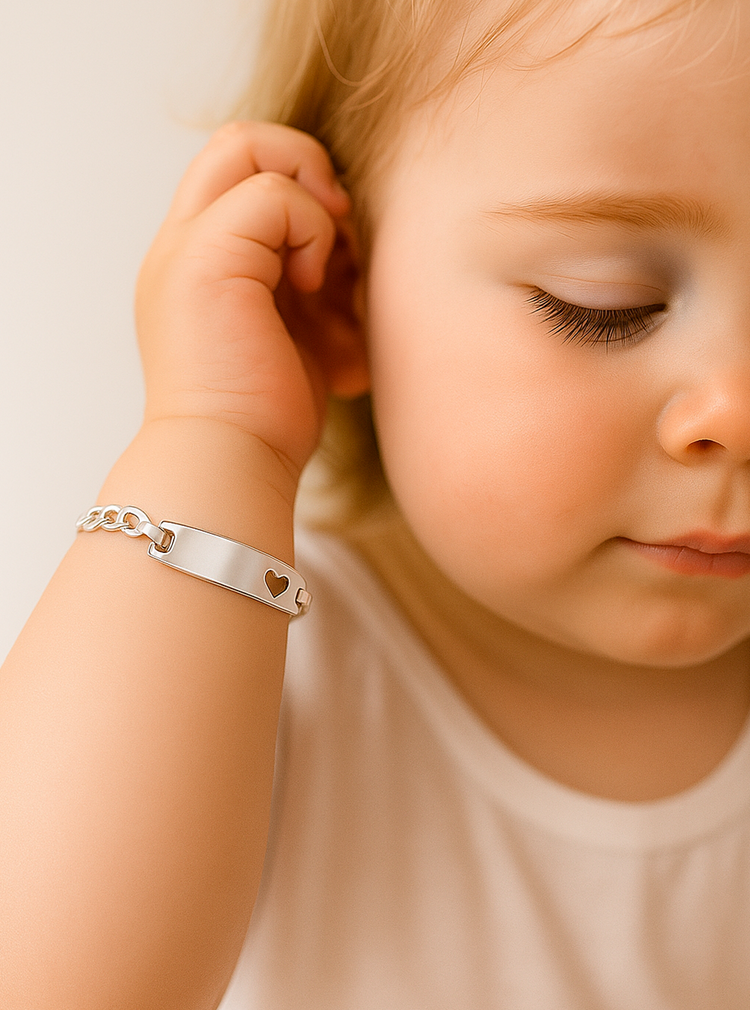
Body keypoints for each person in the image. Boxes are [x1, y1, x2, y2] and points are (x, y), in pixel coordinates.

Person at [2, 0, 750, 1006]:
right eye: (602, 300)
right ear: (339, 292)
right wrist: (220, 437)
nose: (733, 410)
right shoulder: (252, 659)